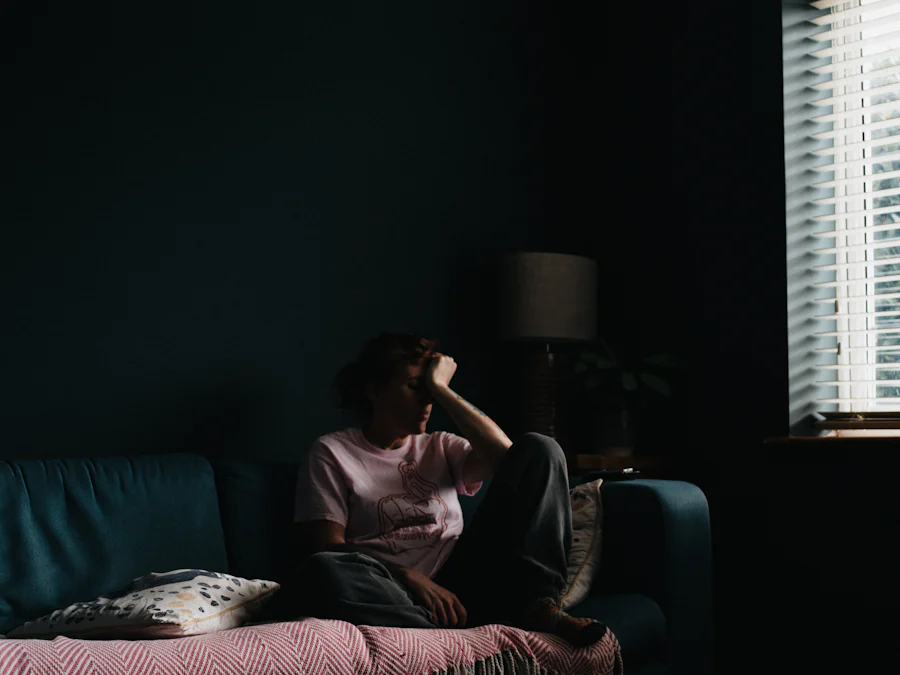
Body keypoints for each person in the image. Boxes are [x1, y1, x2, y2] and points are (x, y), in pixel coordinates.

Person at [293, 332, 607, 646]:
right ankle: (450, 634)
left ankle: (540, 606)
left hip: (468, 576)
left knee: (542, 447)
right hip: (394, 588)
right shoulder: (332, 452)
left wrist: (443, 389)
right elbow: (329, 546)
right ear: (375, 390)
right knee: (324, 569)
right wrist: (408, 576)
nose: (427, 401)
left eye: (431, 389)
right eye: (417, 387)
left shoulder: (441, 446)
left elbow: (511, 458)